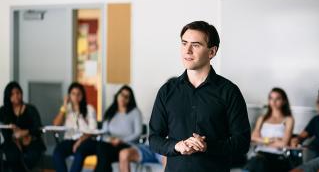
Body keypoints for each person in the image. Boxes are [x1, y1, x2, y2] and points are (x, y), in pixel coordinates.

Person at [148, 21, 251, 172]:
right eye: (184, 43)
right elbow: (154, 139)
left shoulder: (229, 91)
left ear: (212, 52)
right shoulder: (167, 91)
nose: (187, 51)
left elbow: (242, 143)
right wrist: (177, 146)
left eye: (195, 45)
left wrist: (208, 146)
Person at [244, 87, 295, 172]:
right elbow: (253, 137)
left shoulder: (288, 119)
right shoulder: (262, 118)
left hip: (277, 156)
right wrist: (272, 140)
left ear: (284, 101)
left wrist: (262, 141)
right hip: (260, 154)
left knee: (258, 163)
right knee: (258, 161)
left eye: (277, 98)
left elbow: (284, 143)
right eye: (271, 98)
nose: (273, 102)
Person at [94, 85, 142, 172]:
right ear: (117, 95)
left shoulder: (135, 112)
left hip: (127, 145)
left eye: (126, 97)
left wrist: (121, 140)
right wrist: (110, 139)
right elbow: (104, 132)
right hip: (110, 144)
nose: (123, 98)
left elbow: (138, 133)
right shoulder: (110, 111)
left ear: (130, 100)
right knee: (102, 149)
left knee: (103, 154)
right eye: (121, 94)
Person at [0, 81, 46, 172]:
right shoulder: (3, 110)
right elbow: (4, 130)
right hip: (12, 141)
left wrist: (25, 132)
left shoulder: (30, 109)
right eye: (12, 94)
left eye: (18, 93)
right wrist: (14, 136)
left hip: (31, 141)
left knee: (29, 156)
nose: (16, 96)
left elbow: (38, 128)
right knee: (11, 154)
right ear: (8, 96)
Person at [53, 82, 97, 172]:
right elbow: (56, 125)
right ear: (69, 95)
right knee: (57, 153)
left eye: (78, 94)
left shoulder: (89, 109)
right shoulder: (67, 108)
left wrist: (80, 141)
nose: (76, 97)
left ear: (82, 95)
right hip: (69, 139)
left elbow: (93, 130)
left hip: (85, 140)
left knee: (79, 153)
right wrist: (64, 107)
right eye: (73, 94)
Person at [290, 90, 319, 172]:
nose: (318, 105)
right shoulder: (316, 120)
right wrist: (297, 140)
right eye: (318, 102)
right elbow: (302, 136)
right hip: (314, 157)